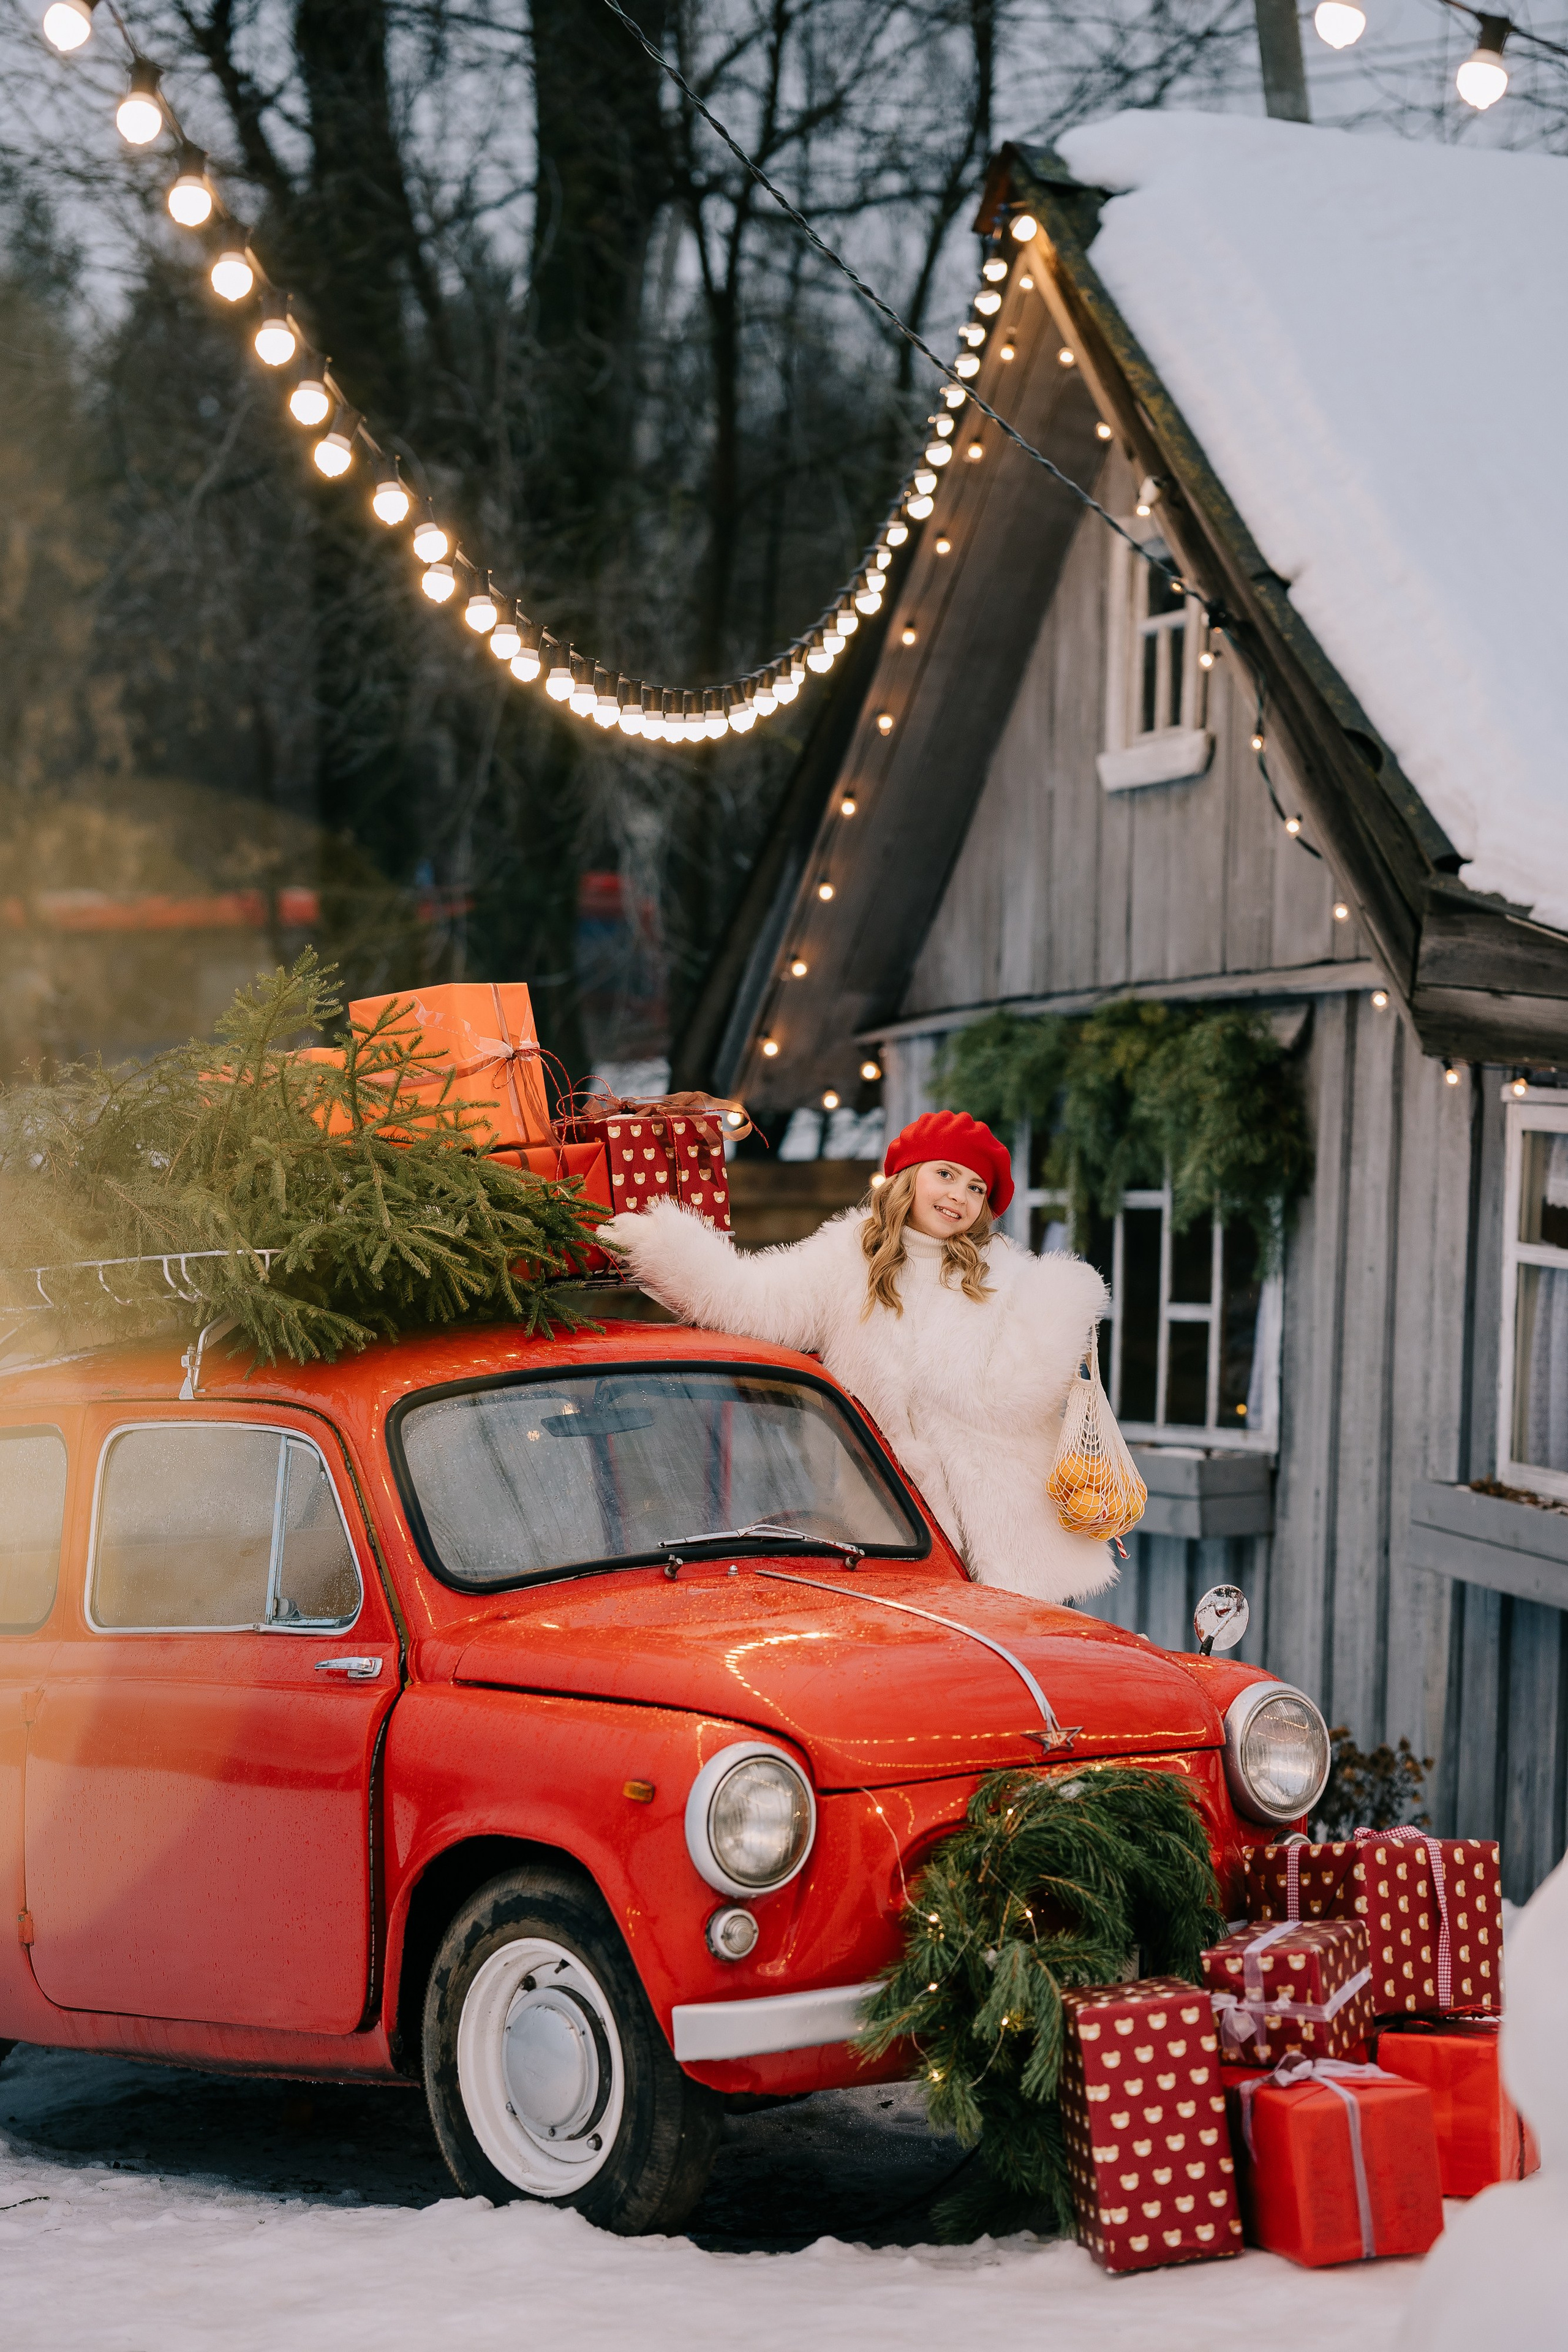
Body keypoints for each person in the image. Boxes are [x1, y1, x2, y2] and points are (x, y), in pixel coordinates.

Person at [598, 1108, 1117, 1605]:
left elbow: (1018, 1397)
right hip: (898, 1527)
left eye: (976, 1188)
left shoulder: (1000, 1275)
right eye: (946, 1174)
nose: (960, 1195)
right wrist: (664, 1246)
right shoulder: (847, 1260)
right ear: (910, 1177)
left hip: (1012, 1535)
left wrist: (1060, 1303)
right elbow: (751, 1301)